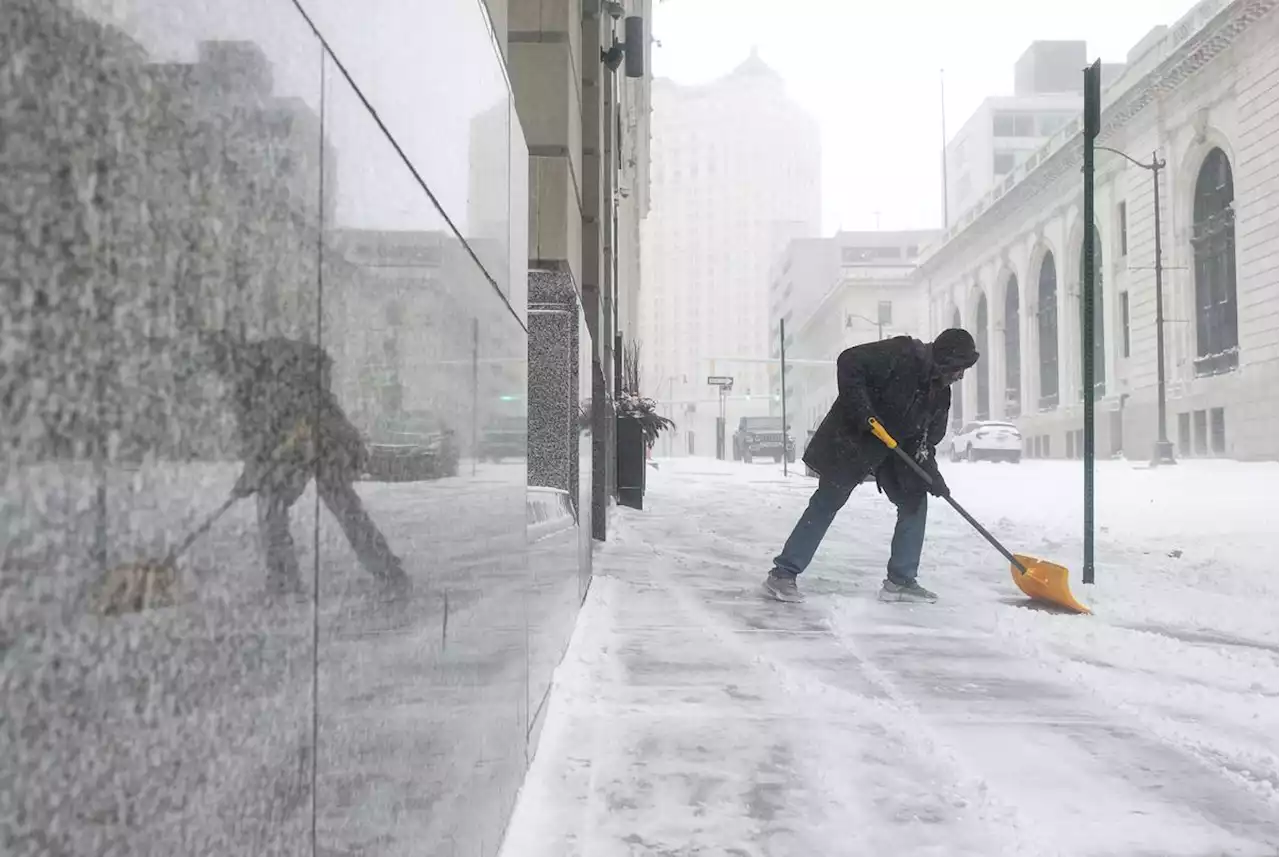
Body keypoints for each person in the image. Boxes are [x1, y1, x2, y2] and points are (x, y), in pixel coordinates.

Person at [762, 328, 980, 604]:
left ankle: (900, 581)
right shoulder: (900, 354)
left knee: (914, 500)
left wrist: (933, 477)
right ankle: (782, 574)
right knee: (828, 501)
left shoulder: (940, 394)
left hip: (893, 449)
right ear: (945, 358)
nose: (960, 375)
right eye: (960, 367)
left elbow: (925, 443)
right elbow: (848, 361)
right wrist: (862, 412)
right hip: (854, 440)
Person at [200, 331, 409, 598]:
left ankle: (384, 573)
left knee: (330, 502)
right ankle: (288, 580)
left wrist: (266, 462)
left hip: (323, 438)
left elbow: (289, 420)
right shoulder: (251, 382)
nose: (221, 377)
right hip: (305, 443)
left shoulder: (270, 369)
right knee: (284, 502)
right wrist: (251, 474)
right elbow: (258, 441)